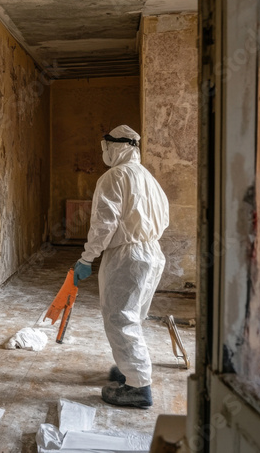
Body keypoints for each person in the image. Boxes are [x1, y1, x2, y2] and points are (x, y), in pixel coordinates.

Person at [72, 125, 169, 409]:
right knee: (133, 315)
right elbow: (164, 218)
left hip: (127, 256)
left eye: (106, 147)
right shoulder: (148, 177)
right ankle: (128, 368)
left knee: (120, 318)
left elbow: (104, 223)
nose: (104, 153)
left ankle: (138, 387)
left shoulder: (114, 176)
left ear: (116, 147)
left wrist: (87, 257)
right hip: (151, 251)